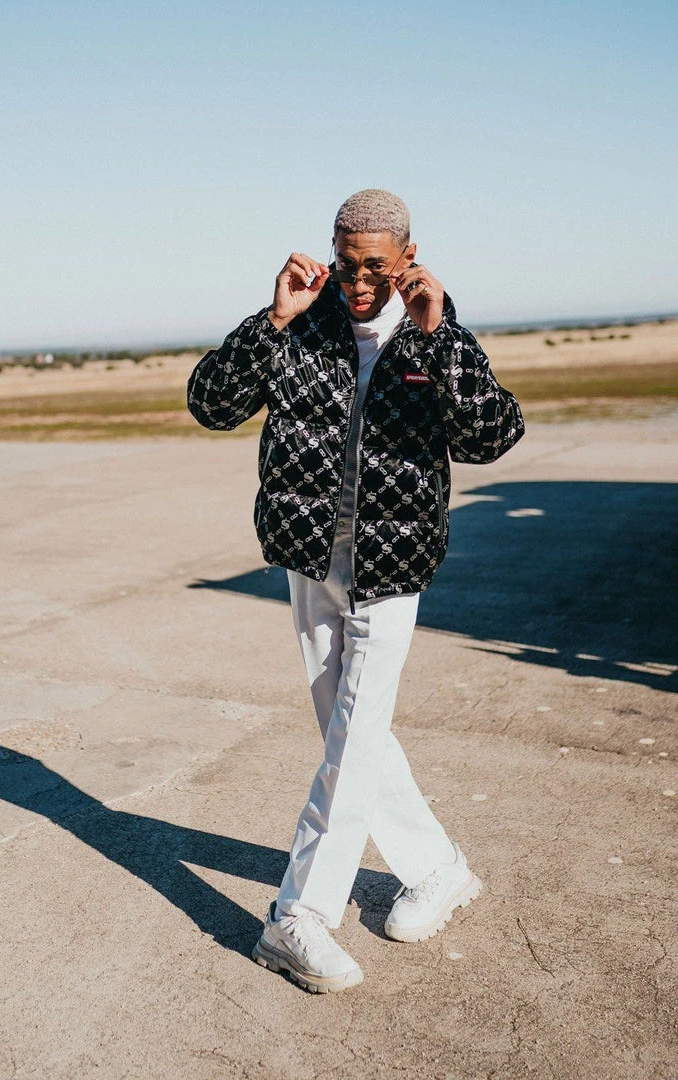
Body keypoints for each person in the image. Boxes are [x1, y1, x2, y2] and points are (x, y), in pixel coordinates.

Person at [187, 189, 525, 994]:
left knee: (356, 731)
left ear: (409, 256)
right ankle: (438, 868)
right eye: (346, 262)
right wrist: (273, 320)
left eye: (375, 265)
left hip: (392, 562)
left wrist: (441, 341)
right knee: (350, 736)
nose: (359, 280)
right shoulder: (303, 324)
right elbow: (210, 405)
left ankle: (299, 915)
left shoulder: (434, 333)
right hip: (310, 557)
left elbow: (493, 436)